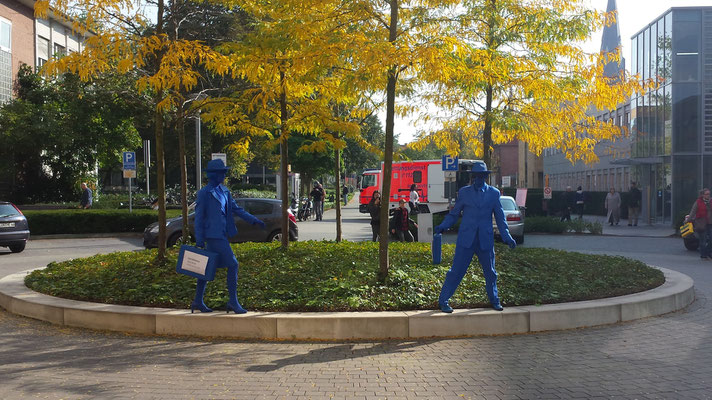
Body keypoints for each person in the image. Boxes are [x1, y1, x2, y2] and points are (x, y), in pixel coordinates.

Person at [434, 161, 516, 313]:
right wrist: (443, 226)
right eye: (476, 176)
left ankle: (495, 300)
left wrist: (507, 236)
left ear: (486, 177)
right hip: (466, 239)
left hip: (485, 239)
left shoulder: (494, 193)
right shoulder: (464, 193)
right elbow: (454, 213)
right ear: (472, 177)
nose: (478, 179)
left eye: (481, 176)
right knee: (456, 271)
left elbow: (500, 218)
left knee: (491, 272)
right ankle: (443, 300)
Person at [192, 159, 266, 314]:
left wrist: (254, 220)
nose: (224, 175)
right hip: (213, 236)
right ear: (213, 174)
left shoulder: (225, 191)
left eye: (224, 172)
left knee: (206, 268)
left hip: (222, 235)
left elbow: (237, 209)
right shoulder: (205, 193)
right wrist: (199, 239)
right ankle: (233, 302)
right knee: (233, 264)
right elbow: (198, 217)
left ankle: (198, 301)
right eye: (221, 172)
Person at [688, 188, 712, 260]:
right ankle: (703, 255)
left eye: (709, 194)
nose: (708, 195)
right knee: (703, 240)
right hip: (701, 223)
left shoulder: (711, 201)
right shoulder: (698, 202)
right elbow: (692, 212)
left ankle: (707, 252)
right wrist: (687, 220)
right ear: (702, 195)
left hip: (710, 223)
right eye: (707, 194)